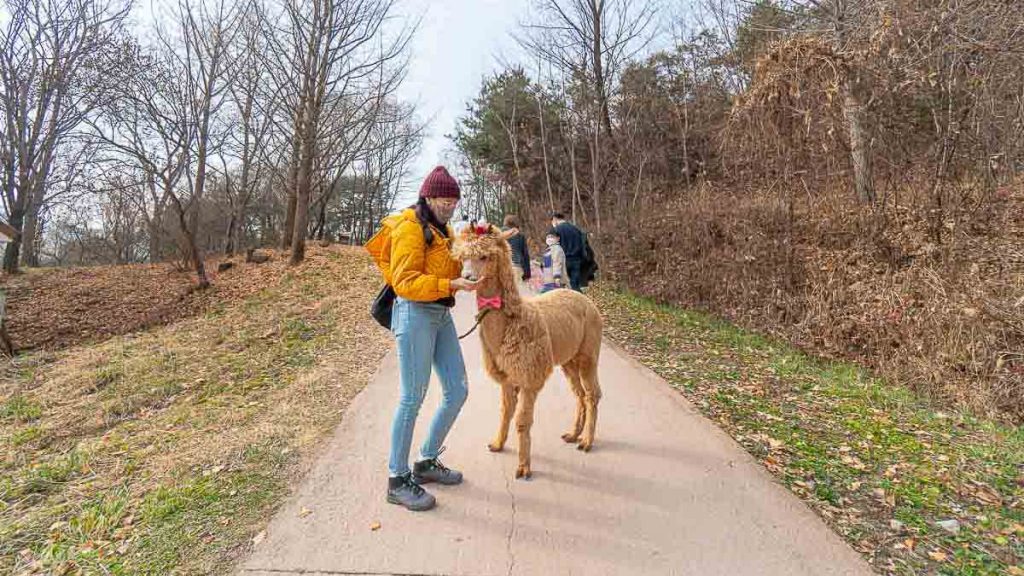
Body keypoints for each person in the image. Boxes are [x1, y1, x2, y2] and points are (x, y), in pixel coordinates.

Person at [364, 166, 484, 512]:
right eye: (444, 200)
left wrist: (465, 271)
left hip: (439, 313)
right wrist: (450, 285)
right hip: (414, 313)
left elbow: (445, 267)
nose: (450, 206)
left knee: (457, 390)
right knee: (412, 396)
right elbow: (405, 282)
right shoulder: (409, 227)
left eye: (454, 201)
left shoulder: (441, 228)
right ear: (428, 197)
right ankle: (397, 479)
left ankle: (426, 461)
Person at [550, 212, 585, 291]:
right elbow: (582, 245)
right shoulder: (575, 229)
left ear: (555, 219)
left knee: (562, 286)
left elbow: (554, 248)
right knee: (575, 285)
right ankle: (580, 301)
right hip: (576, 260)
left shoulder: (556, 230)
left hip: (563, 261)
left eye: (552, 222)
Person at [502, 215, 531, 290]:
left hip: (503, 267)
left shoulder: (500, 235)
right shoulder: (520, 236)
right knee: (518, 292)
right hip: (517, 266)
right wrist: (527, 274)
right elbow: (525, 255)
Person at [539, 228, 568, 293]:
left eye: (552, 237)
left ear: (558, 238)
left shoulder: (557, 249)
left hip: (556, 281)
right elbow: (546, 264)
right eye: (548, 237)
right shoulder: (548, 250)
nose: (549, 239)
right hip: (549, 280)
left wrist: (557, 277)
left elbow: (557, 263)